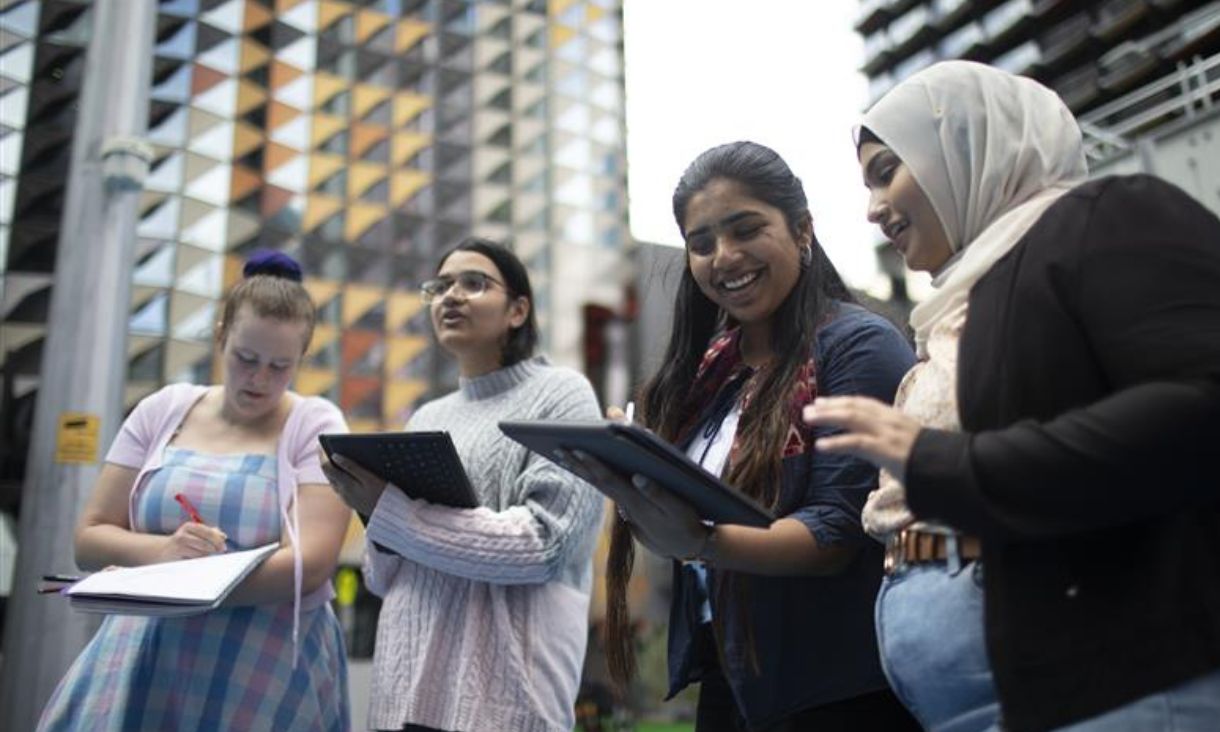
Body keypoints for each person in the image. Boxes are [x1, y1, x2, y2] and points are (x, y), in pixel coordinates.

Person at [806, 60, 1220, 732]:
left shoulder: (1101, 218)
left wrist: (943, 462)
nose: (873, 208)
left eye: (887, 171)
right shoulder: (959, 305)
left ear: (967, 148)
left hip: (1128, 681)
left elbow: (1201, 404)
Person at [565, 141, 919, 731]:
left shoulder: (858, 346)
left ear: (803, 229)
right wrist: (630, 476)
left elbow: (837, 532)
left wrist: (702, 541)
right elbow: (692, 526)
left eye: (745, 230)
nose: (722, 256)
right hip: (731, 680)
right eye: (700, 243)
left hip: (840, 690)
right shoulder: (709, 376)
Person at [38, 251, 353, 731]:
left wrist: (190, 582)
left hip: (263, 660)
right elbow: (89, 537)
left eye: (279, 366)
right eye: (246, 359)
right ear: (221, 334)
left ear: (301, 360)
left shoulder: (315, 424)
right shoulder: (163, 409)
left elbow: (310, 564)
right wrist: (164, 550)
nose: (259, 379)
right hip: (146, 649)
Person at [322, 237, 604, 732]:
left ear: (518, 310)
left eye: (474, 283)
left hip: (504, 701)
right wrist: (371, 511)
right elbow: (382, 577)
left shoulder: (562, 394)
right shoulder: (427, 417)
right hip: (403, 690)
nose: (451, 296)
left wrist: (391, 513)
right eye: (440, 286)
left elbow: (543, 546)